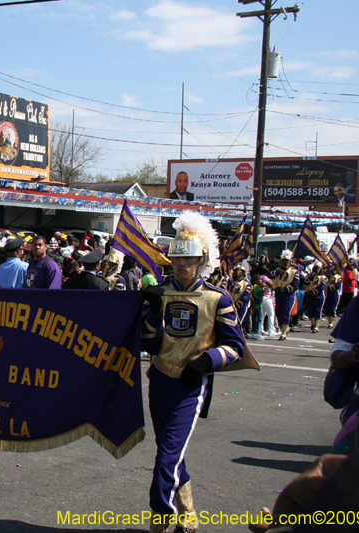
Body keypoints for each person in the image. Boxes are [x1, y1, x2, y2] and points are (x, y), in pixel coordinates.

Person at [141, 211, 246, 533]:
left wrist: (205, 362)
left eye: (188, 258)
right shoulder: (161, 292)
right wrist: (151, 312)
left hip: (190, 387)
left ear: (201, 260)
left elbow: (236, 347)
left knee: (167, 457)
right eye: (176, 258)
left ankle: (160, 519)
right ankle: (188, 513)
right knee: (170, 452)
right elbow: (149, 345)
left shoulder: (218, 298)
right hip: (160, 380)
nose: (181, 264)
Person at [270, 250, 299, 341]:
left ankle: (284, 332)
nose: (285, 263)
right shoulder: (278, 271)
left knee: (285, 312)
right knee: (278, 312)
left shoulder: (294, 272)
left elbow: (295, 285)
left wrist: (284, 288)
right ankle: (283, 327)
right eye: (284, 261)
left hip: (288, 295)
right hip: (279, 295)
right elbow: (268, 275)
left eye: (287, 261)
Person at [304, 262, 326, 333]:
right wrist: (310, 276)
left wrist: (312, 292)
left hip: (318, 296)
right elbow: (306, 282)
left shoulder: (323, 278)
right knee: (310, 310)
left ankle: (316, 326)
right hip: (310, 296)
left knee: (317, 310)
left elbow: (321, 288)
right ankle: (313, 323)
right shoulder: (310, 277)